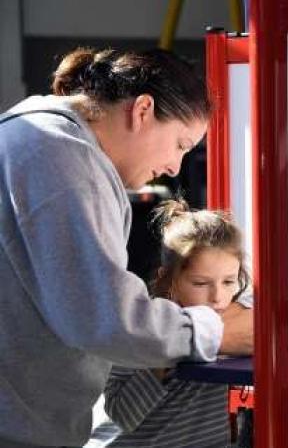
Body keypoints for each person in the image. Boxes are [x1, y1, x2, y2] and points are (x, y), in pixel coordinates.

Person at [0, 47, 251, 447]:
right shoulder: (59, 156)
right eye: (181, 144)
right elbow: (102, 316)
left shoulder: (44, 144)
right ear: (143, 110)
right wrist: (214, 332)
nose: (175, 166)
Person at [88, 199, 253, 448]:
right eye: (200, 283)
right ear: (167, 281)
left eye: (229, 282)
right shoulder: (138, 327)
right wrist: (171, 351)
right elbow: (121, 414)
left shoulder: (229, 313)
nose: (217, 297)